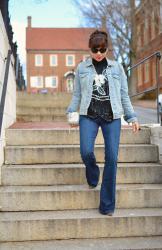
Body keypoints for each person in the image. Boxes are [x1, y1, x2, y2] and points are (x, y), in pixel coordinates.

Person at [67, 29, 140, 216]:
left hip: (112, 117)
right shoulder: (82, 68)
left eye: (102, 49)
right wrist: (70, 112)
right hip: (88, 115)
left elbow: (124, 94)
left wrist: (132, 117)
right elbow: (77, 94)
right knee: (86, 152)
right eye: (95, 50)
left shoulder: (117, 68)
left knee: (112, 159)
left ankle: (107, 205)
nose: (98, 54)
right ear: (89, 49)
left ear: (107, 49)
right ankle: (93, 174)